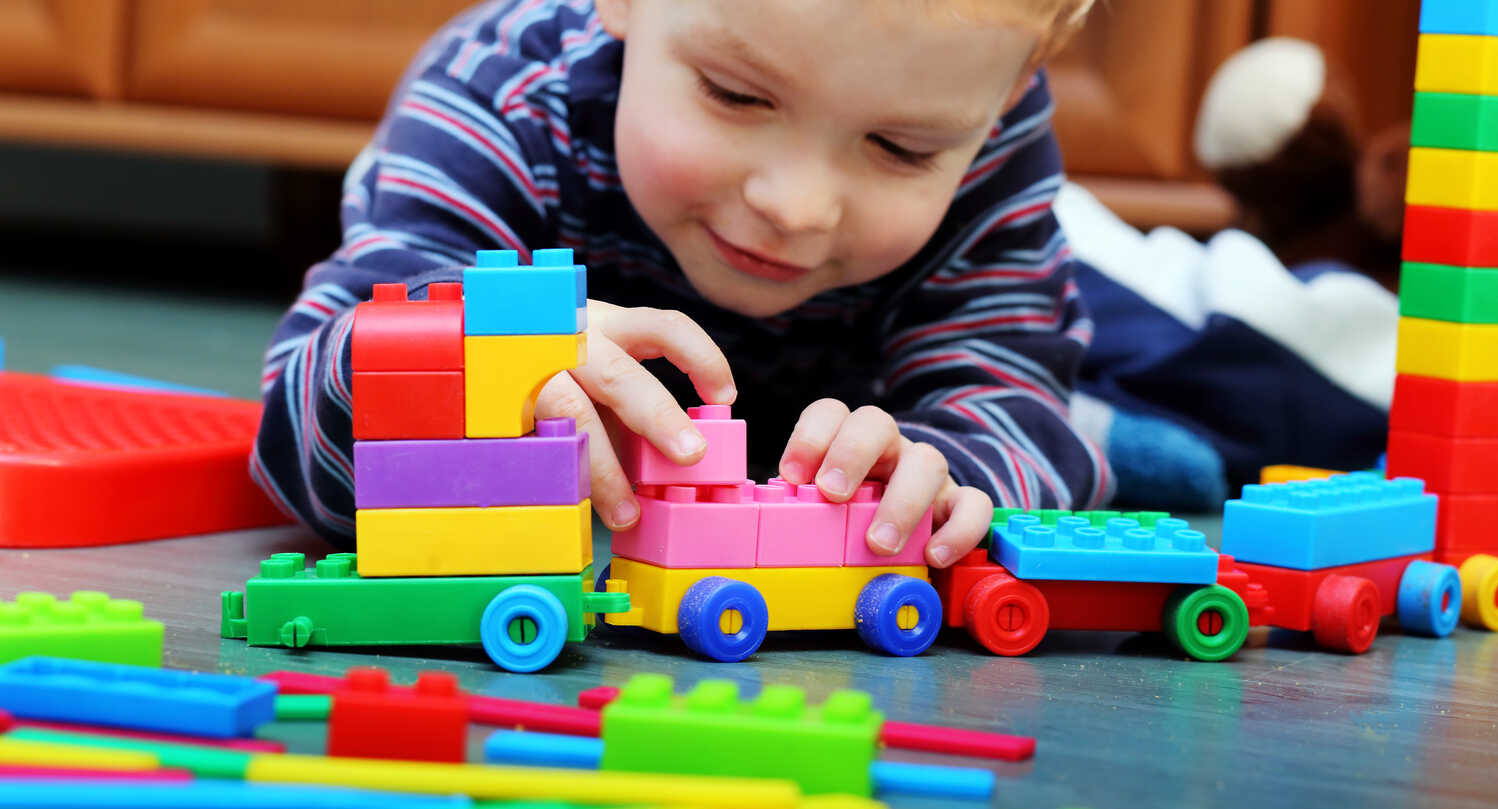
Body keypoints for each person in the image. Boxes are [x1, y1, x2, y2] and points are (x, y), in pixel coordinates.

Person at [252, 0, 1109, 569]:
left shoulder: (992, 146)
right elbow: (295, 441)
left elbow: (1010, 394)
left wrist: (947, 477)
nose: (796, 208)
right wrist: (460, 367)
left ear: (1009, 90)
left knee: (1117, 362)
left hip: (847, 406)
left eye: (901, 150)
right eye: (736, 95)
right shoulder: (498, 94)